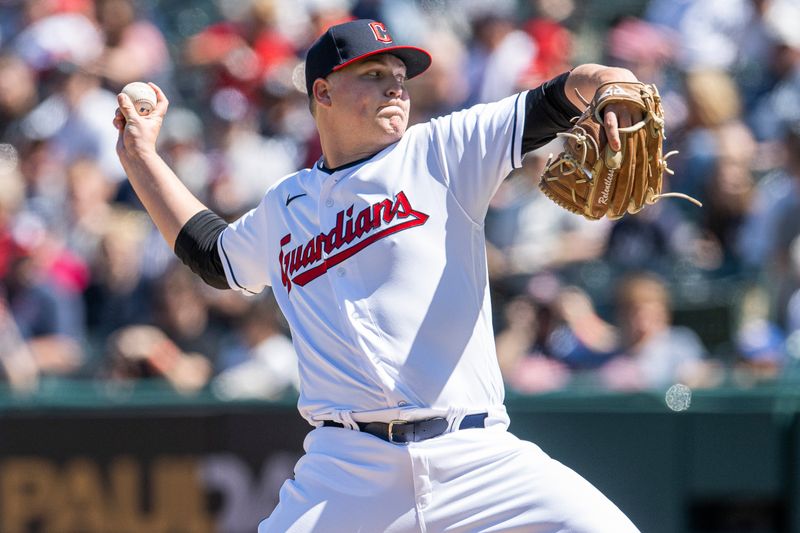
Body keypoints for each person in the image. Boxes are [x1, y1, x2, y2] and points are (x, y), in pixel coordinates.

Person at [114, 18, 642, 533]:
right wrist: (139, 155)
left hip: (475, 456)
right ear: (322, 92)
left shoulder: (444, 150)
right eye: (373, 75)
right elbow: (213, 255)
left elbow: (569, 90)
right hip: (346, 468)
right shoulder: (285, 206)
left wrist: (615, 91)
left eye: (399, 76)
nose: (395, 87)